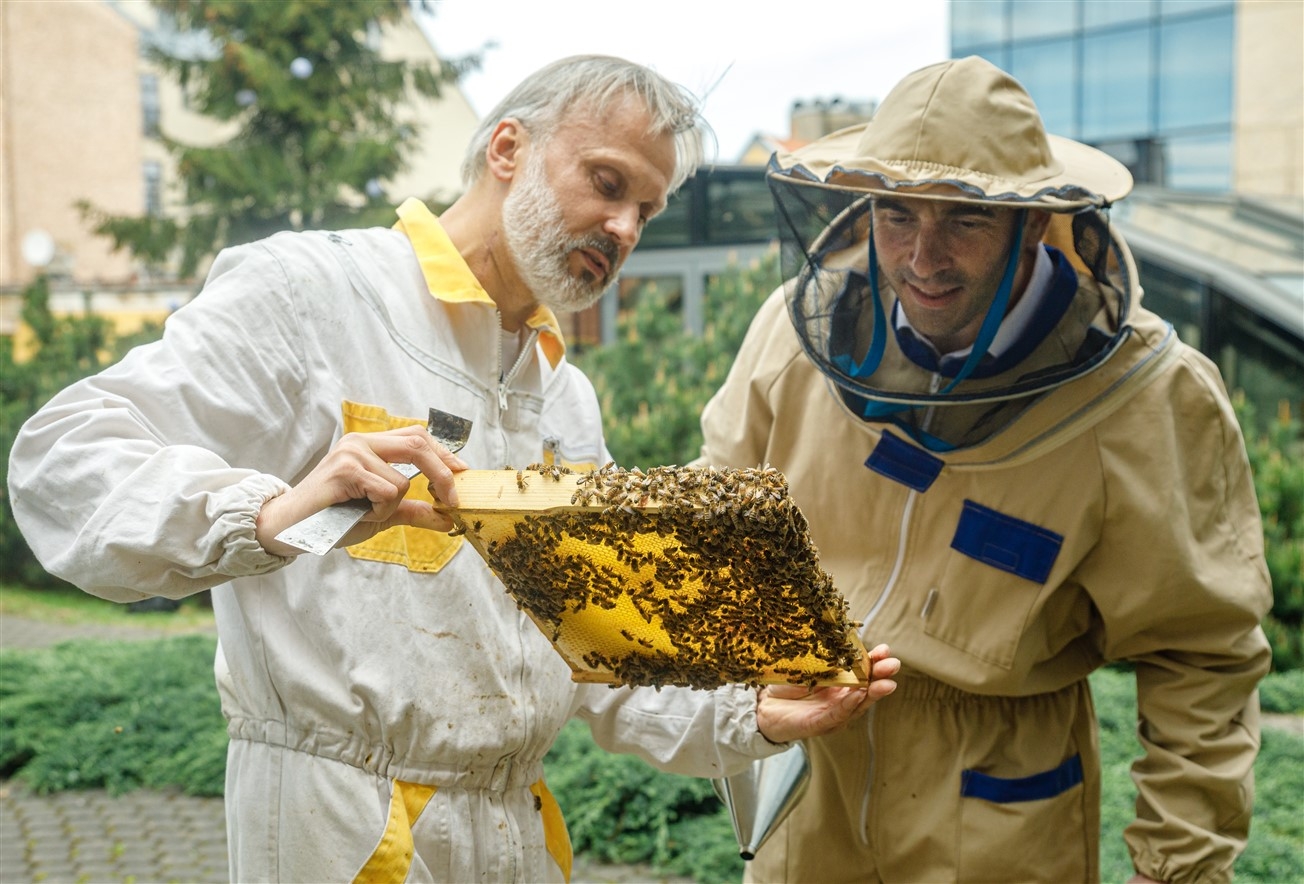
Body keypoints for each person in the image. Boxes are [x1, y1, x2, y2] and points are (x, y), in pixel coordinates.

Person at [7, 55, 900, 883]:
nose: (626, 227)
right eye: (607, 182)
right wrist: (272, 512)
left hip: (514, 827)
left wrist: (750, 714)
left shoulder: (565, 397)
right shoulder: (314, 292)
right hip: (338, 821)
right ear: (507, 148)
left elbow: (599, 649)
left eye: (647, 209)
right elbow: (64, 459)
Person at [700, 56, 1272, 883]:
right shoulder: (790, 340)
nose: (921, 258)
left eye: (963, 221)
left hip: (1003, 804)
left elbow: (1202, 651)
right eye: (896, 216)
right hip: (807, 774)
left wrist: (1175, 868)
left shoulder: (1154, 400)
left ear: (1035, 222)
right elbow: (713, 525)